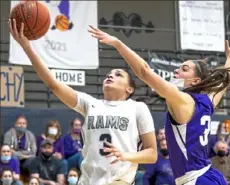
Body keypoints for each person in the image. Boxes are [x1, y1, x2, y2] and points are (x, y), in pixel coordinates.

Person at [9, 19, 157, 185]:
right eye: (109, 74)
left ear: (129, 89)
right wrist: (27, 47)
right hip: (87, 180)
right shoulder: (91, 103)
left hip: (118, 180)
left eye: (118, 74)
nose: (110, 76)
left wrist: (125, 155)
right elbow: (54, 85)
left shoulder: (137, 108)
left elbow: (152, 154)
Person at [88, 26, 230, 185]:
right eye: (179, 66)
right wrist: (229, 59)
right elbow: (226, 81)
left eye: (184, 69)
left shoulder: (181, 99)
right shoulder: (207, 101)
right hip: (210, 176)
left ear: (195, 81)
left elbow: (144, 71)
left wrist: (118, 44)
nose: (177, 70)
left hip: (195, 180)